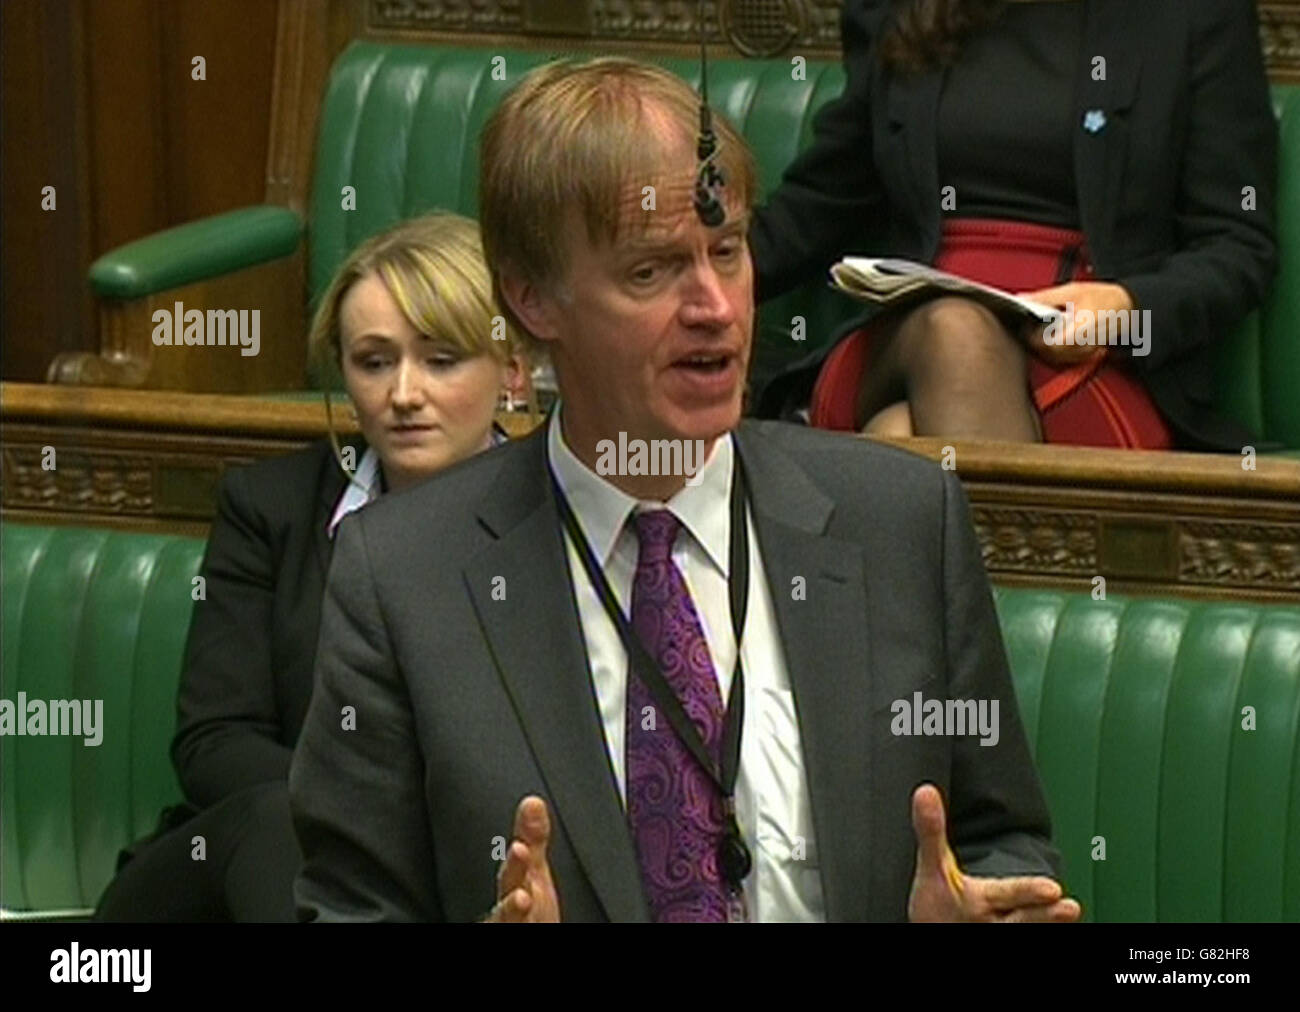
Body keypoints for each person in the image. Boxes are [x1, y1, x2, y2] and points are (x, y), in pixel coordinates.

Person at [289, 57, 1080, 923]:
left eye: (728, 252)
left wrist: (980, 907)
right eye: (651, 271)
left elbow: (1003, 839)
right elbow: (352, 910)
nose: (714, 306)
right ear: (531, 300)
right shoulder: (403, 576)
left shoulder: (899, 519)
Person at [94, 212, 529, 921]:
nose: (404, 394)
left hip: (463, 873)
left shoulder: (554, 518)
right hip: (246, 864)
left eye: (441, 359)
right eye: (374, 360)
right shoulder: (270, 508)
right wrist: (383, 808)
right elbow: (213, 745)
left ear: (512, 369)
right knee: (279, 823)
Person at [750, 0, 1278, 450]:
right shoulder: (900, 7)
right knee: (954, 332)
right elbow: (826, 196)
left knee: (899, 435)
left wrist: (1127, 309)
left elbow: (1237, 242)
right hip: (907, 336)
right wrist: (697, 266)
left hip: (1089, 353)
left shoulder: (1194, 12)